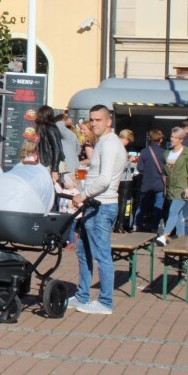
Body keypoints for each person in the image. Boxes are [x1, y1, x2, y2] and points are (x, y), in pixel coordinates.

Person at [70, 104, 126, 315]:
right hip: (95, 205)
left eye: (98, 119)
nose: (94, 123)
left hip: (102, 205)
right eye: (91, 119)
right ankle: (82, 295)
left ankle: (105, 302)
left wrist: (82, 195)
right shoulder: (103, 142)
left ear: (109, 121)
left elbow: (104, 180)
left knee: (102, 255)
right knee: (82, 250)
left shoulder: (109, 144)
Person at [156, 127, 188, 247]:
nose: (172, 139)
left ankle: (165, 235)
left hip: (182, 187)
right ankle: (182, 241)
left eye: (175, 137)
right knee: (178, 215)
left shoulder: (187, 152)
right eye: (172, 137)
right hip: (171, 187)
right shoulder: (167, 153)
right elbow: (165, 171)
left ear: (181, 139)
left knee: (173, 211)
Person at [135, 129, 166, 233]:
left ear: (150, 139)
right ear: (161, 140)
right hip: (160, 184)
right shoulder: (165, 152)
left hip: (146, 183)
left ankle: (136, 225)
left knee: (142, 205)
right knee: (158, 206)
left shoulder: (144, 152)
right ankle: (154, 227)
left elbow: (139, 168)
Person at [115, 129, 137, 233]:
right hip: (124, 178)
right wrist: (130, 160)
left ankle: (117, 224)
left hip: (117, 178)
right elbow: (122, 165)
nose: (128, 142)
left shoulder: (114, 146)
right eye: (128, 140)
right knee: (123, 202)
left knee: (117, 201)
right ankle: (120, 224)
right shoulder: (120, 148)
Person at [35, 105, 64, 178]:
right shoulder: (44, 129)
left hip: (50, 165)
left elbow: (56, 149)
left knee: (54, 188)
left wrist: (54, 169)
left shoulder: (50, 129)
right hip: (47, 164)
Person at [55, 111, 81, 176]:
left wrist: (66, 120)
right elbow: (78, 151)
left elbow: (58, 124)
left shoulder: (68, 135)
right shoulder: (71, 134)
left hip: (69, 169)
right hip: (75, 167)